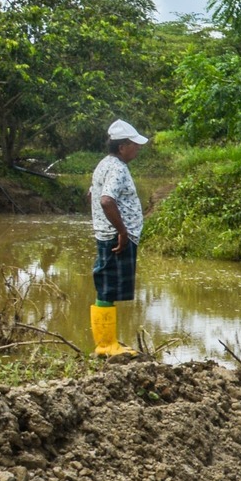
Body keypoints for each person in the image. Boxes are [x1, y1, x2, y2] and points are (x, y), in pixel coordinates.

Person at [88, 119, 148, 356]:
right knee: (108, 287)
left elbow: (92, 194)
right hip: (115, 236)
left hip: (108, 233)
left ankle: (108, 341)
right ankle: (105, 345)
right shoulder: (117, 168)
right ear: (122, 147)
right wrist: (122, 231)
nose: (138, 148)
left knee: (107, 286)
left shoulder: (105, 164)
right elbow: (106, 200)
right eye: (134, 144)